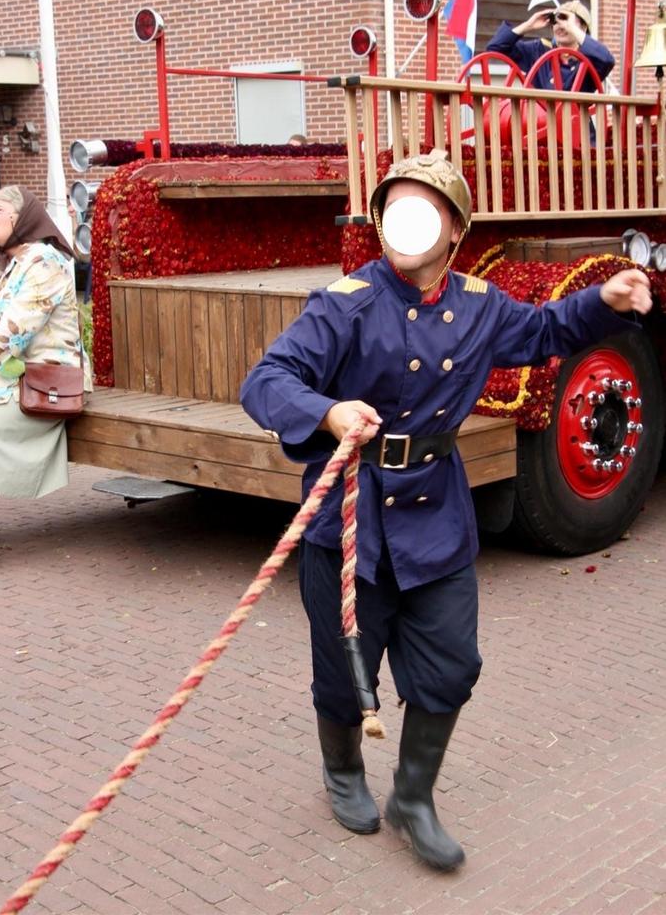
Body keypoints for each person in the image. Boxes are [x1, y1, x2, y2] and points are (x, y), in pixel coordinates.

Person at [240, 148, 651, 870]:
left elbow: (548, 331)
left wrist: (603, 302)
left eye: (425, 209)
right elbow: (267, 380)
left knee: (452, 664)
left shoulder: (480, 305)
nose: (408, 223)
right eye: (396, 208)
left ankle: (414, 797)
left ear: (454, 230)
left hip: (436, 515)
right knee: (345, 670)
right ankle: (342, 773)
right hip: (351, 520)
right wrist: (328, 411)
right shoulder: (345, 305)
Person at [0, 186, 88, 573]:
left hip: (46, 380)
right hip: (7, 374)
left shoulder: (45, 261)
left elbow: (11, 333)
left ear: (21, 219)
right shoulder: (5, 263)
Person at [486, 0, 615, 92]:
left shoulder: (590, 59)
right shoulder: (540, 51)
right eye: (556, 21)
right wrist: (528, 25)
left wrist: (572, 28)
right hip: (541, 126)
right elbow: (496, 48)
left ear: (583, 27)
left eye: (565, 19)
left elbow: (607, 60)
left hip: (576, 128)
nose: (560, 26)